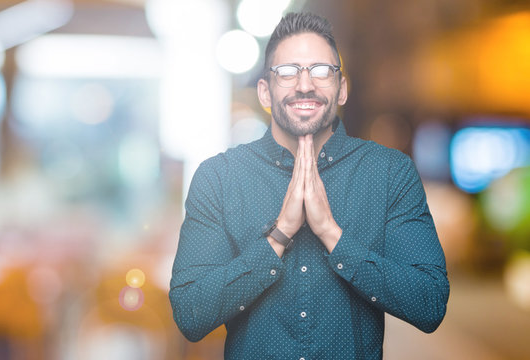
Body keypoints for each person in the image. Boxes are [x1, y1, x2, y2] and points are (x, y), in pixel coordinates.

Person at [169, 12, 449, 359]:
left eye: (321, 71)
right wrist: (279, 235)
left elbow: (430, 303)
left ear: (342, 89)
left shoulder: (390, 173)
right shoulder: (219, 177)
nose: (304, 85)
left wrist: (333, 235)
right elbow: (190, 314)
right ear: (265, 91)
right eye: (287, 72)